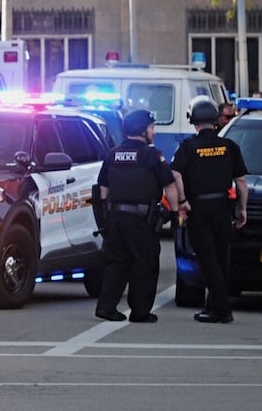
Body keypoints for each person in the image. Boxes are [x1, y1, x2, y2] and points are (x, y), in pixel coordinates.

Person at [94, 108, 180, 323]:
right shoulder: (152, 155)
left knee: (116, 263)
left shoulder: (112, 154)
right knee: (145, 263)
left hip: (115, 218)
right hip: (141, 220)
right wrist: (176, 212)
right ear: (143, 131)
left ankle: (106, 307)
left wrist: (105, 217)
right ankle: (140, 311)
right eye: (152, 128)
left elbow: (102, 188)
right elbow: (169, 185)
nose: (154, 132)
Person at [171, 97, 249, 324]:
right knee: (221, 258)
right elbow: (241, 182)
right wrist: (242, 209)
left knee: (207, 260)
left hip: (200, 208)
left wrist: (183, 201)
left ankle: (221, 309)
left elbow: (175, 174)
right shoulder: (229, 146)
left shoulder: (188, 147)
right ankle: (213, 304)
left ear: (194, 122)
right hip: (223, 208)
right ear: (216, 121)